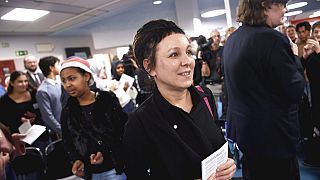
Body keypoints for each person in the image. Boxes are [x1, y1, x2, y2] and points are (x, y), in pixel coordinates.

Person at [123, 19, 236, 180]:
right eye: (174, 54)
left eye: (188, 52)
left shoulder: (204, 96)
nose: (188, 62)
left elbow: (216, 146)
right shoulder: (141, 122)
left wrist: (228, 165)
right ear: (150, 67)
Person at [223, 0, 306, 179]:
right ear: (264, 5)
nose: (285, 9)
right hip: (275, 139)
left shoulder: (233, 39)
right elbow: (296, 91)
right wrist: (295, 57)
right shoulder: (272, 39)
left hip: (248, 136)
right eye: (281, 3)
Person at [59, 57, 127, 179]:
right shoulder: (68, 111)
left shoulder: (107, 101)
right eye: (64, 81)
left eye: (72, 78)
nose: (68, 84)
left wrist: (106, 154)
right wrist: (77, 160)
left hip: (116, 169)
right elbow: (67, 140)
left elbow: (123, 132)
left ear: (86, 76)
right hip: (90, 173)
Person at [0, 71, 49, 154]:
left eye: (25, 81)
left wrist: (36, 116)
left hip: (40, 133)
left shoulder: (35, 94)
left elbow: (45, 111)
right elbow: (4, 121)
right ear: (12, 83)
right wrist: (21, 120)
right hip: (20, 137)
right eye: (20, 82)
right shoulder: (4, 101)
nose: (24, 84)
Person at [301, 21, 320, 166]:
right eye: (316, 32)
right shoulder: (312, 53)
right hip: (314, 95)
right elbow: (300, 70)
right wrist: (304, 57)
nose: (318, 34)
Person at [36, 56, 63, 140]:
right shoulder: (43, 90)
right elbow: (47, 116)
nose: (60, 67)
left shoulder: (60, 84)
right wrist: (61, 130)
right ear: (51, 68)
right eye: (58, 65)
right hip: (59, 132)